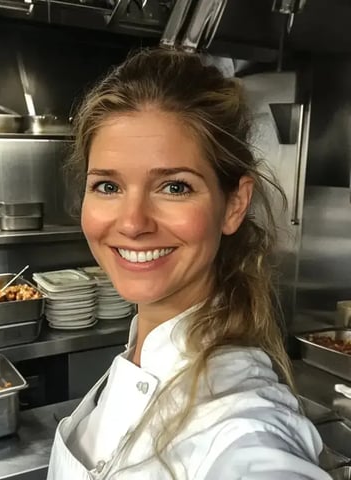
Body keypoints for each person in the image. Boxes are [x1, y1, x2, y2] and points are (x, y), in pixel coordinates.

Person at [46, 47, 331, 480]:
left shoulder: (245, 423)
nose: (133, 223)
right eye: (107, 185)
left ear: (234, 204)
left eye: (175, 187)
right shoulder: (141, 350)